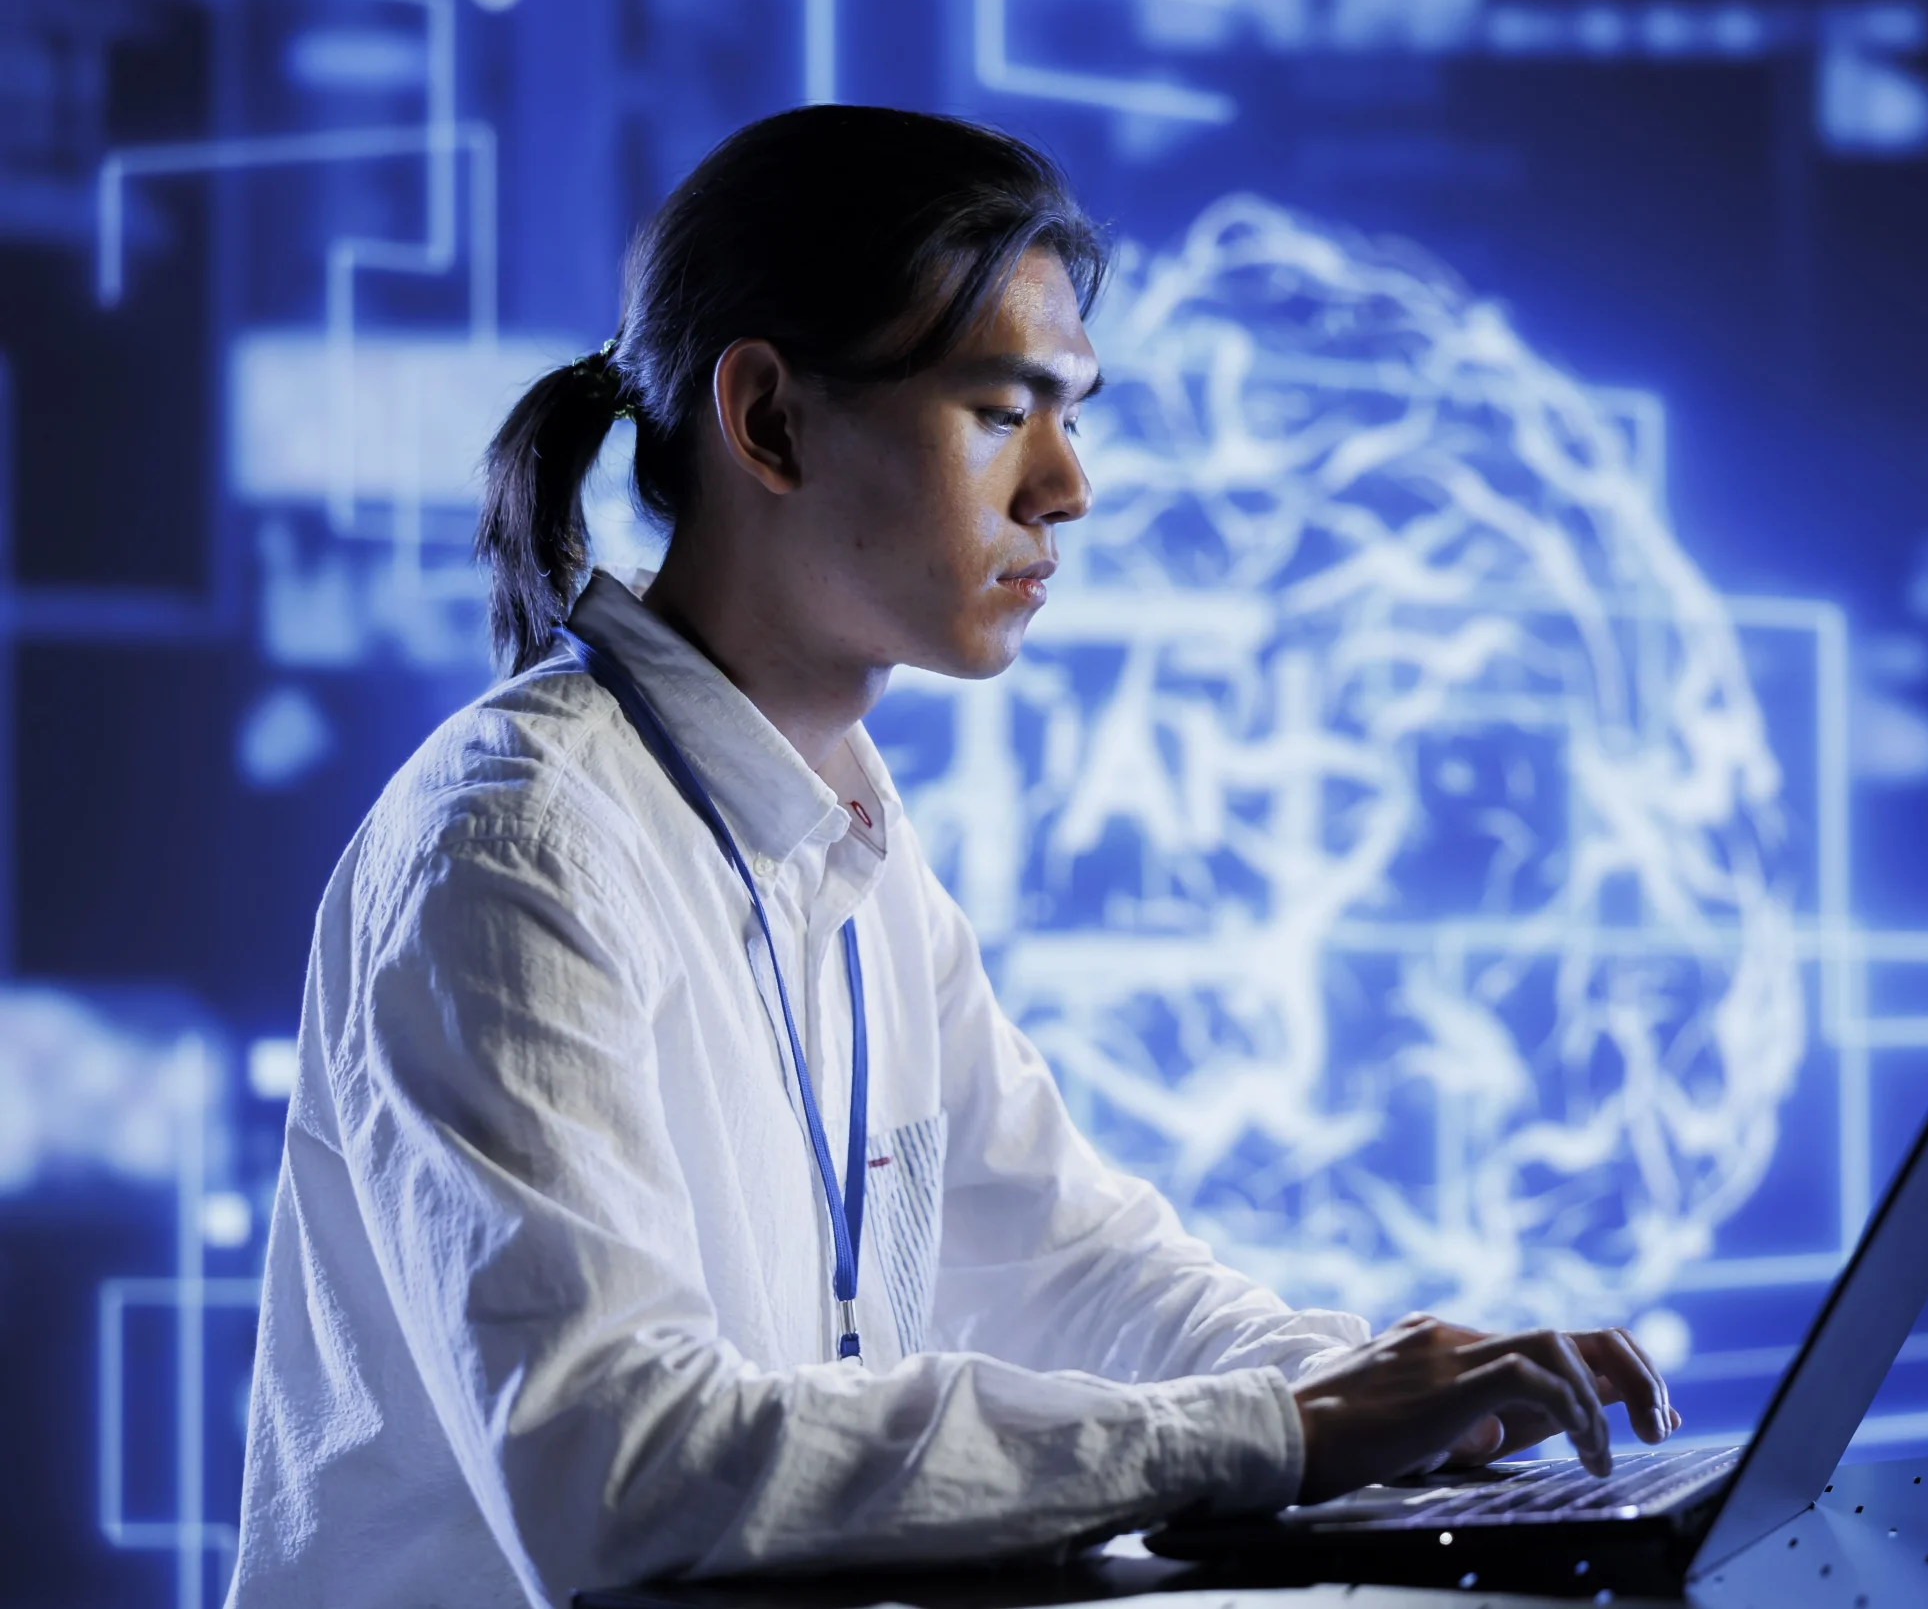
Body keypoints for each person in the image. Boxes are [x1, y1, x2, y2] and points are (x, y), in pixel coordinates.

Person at [229, 106, 1678, 1609]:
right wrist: (1276, 1434)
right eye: (1001, 411)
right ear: (771, 419)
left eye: (1073, 412)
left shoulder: (848, 847)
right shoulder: (518, 848)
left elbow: (1072, 1264)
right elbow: (623, 1475)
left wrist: (1387, 1394)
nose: (1067, 487)